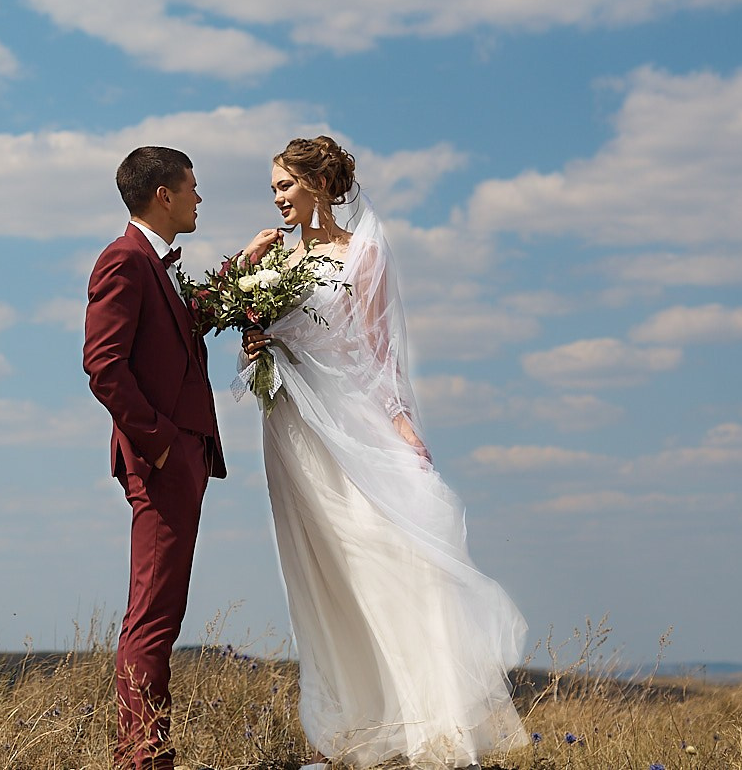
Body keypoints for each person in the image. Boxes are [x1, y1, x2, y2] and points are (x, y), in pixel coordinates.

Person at [239, 136, 528, 770]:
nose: (279, 200)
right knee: (325, 569)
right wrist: (250, 326)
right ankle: (360, 722)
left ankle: (433, 718)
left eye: (286, 187)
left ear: (318, 185)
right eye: (274, 191)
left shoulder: (363, 250)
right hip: (290, 426)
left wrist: (398, 421)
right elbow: (251, 339)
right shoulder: (269, 258)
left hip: (347, 417)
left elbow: (378, 347)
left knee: (385, 550)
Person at [84, 146, 226, 770]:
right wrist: (163, 442)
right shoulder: (124, 260)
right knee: (153, 616)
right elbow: (103, 367)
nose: (200, 198)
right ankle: (144, 760)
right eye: (193, 187)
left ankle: (143, 754)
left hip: (185, 455)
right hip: (161, 459)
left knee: (162, 611)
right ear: (164, 194)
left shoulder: (160, 264)